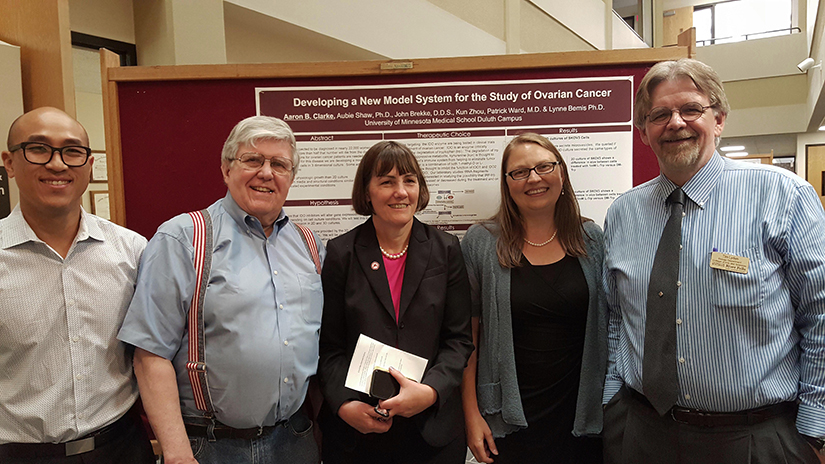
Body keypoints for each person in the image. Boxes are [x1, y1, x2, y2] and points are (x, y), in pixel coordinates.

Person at [602, 58, 825, 464]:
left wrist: (816, 425)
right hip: (642, 433)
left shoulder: (782, 196)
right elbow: (617, 315)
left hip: (757, 438)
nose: (675, 123)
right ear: (644, 132)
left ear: (719, 120)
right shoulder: (623, 213)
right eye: (659, 115)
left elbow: (820, 315)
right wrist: (611, 400)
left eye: (691, 109)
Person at [117, 116, 324, 464]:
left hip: (294, 440)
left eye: (279, 164)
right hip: (211, 446)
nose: (266, 172)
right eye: (253, 160)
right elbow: (149, 354)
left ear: (291, 177)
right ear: (227, 169)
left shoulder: (309, 245)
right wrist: (177, 453)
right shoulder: (183, 238)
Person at [0, 107, 153, 463]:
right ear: (9, 162)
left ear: (89, 165)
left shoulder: (132, 250)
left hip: (121, 449)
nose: (57, 165)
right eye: (38, 149)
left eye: (72, 151)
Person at [317, 140, 473, 464]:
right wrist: (345, 405)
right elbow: (327, 347)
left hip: (433, 434)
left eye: (409, 180)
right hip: (357, 435)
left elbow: (458, 341)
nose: (400, 191)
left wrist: (429, 393)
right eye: (387, 181)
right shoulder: (340, 254)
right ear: (367, 192)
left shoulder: (446, 250)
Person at [460, 133, 606, 464]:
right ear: (507, 183)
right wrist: (471, 415)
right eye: (520, 172)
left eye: (544, 167)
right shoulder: (482, 242)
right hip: (509, 417)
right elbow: (466, 337)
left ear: (562, 173)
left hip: (580, 413)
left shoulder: (591, 239)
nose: (534, 179)